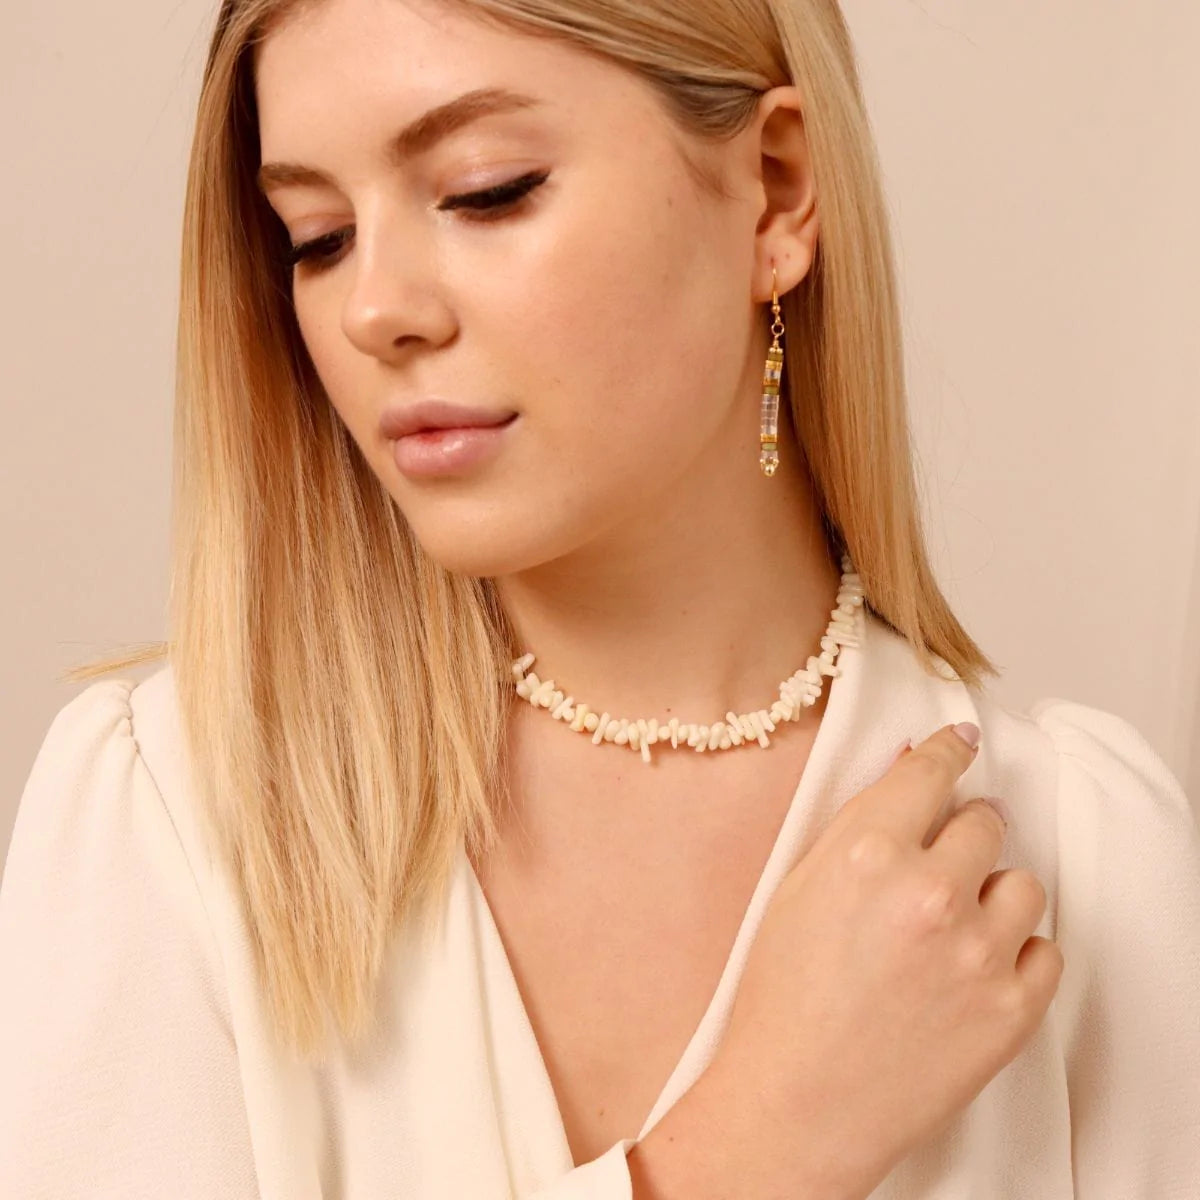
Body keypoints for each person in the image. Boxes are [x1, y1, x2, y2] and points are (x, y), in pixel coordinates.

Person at [2, 0, 1198, 1196]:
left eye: (486, 191)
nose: (374, 309)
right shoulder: (174, 820)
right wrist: (756, 1145)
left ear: (776, 193)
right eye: (318, 238)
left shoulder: (1086, 866)